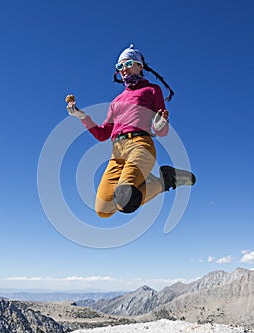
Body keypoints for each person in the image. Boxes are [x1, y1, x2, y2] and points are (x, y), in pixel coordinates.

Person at [66, 44, 196, 218]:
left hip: (140, 145)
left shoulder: (151, 90)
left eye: (128, 64)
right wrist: (81, 116)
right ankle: (164, 180)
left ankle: (163, 180)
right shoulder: (116, 101)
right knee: (103, 210)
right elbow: (103, 134)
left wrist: (159, 125)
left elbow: (162, 131)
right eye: (119, 67)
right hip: (117, 154)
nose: (124, 70)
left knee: (125, 196)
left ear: (140, 66)